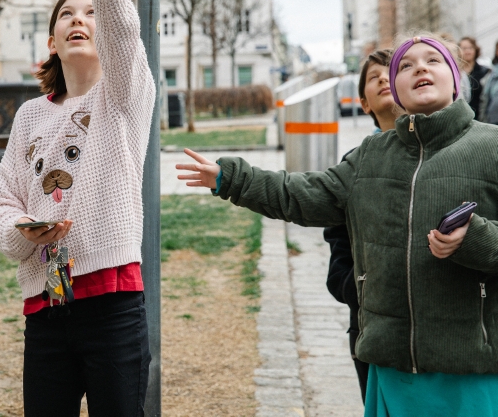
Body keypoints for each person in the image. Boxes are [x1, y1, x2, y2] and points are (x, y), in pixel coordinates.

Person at [177, 33, 498, 416]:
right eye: (406, 65)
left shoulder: (491, 146)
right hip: (393, 363)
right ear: (393, 86)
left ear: (456, 77)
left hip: (473, 366)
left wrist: (473, 238)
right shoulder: (369, 156)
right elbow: (301, 193)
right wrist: (229, 177)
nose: (421, 69)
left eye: (434, 60)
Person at [0, 0, 155, 417]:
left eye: (89, 14)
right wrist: (20, 231)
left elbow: (120, 15)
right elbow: (0, 202)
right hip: (45, 305)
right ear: (52, 40)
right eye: (66, 16)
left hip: (112, 303)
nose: (80, 21)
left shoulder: (126, 96)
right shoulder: (31, 115)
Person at [323, 49, 397, 402]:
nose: (384, 78)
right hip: (368, 324)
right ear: (364, 103)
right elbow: (338, 240)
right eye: (373, 76)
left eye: (392, 71)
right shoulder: (355, 164)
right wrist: (355, 289)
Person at [459, 36, 489, 120]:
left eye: (470, 48)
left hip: (481, 117)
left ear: (475, 50)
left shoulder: (485, 71)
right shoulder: (456, 73)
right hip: (462, 118)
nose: (467, 51)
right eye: (464, 48)